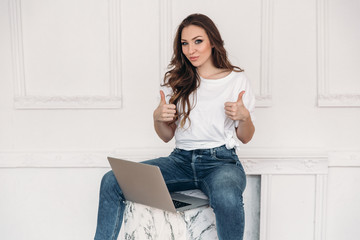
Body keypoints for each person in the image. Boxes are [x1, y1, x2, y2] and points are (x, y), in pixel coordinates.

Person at [94, 13, 255, 240]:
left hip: (221, 162)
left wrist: (245, 117)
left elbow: (246, 137)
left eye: (198, 41)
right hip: (180, 161)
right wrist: (158, 119)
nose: (191, 50)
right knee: (111, 180)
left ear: (212, 41)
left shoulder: (236, 80)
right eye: (185, 43)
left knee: (227, 197)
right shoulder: (178, 80)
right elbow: (166, 136)